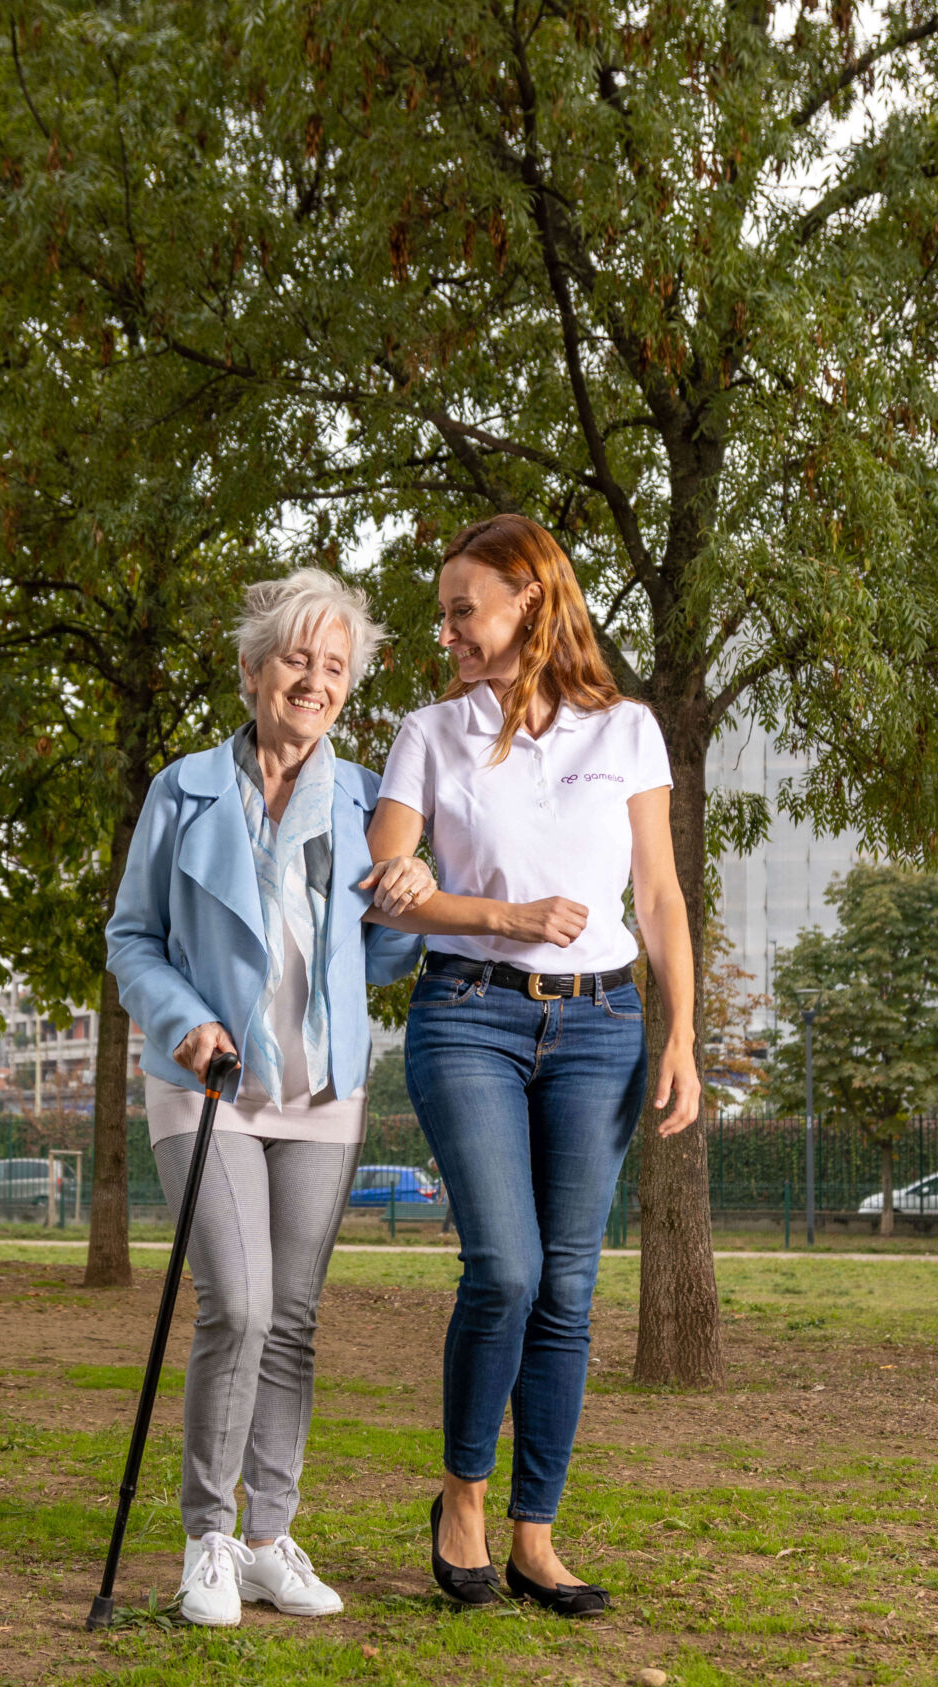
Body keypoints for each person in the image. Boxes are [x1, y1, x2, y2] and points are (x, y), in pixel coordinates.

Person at [364, 513, 701, 1618]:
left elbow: (655, 896)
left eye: (464, 608)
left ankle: (535, 1537)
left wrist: (682, 1033)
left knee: (567, 1289)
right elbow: (392, 880)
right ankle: (461, 1497)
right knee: (503, 1269)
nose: (448, 629)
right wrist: (506, 916)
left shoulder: (629, 733)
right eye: (445, 611)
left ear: (530, 602)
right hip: (468, 1013)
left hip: (603, 1024)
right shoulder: (428, 732)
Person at [104, 568, 431, 1627]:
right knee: (236, 1303)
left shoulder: (368, 802)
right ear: (252, 672)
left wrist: (412, 904)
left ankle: (266, 1538)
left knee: (290, 1319)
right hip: (209, 1083)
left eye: (334, 667)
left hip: (321, 1091)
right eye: (297, 658)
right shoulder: (182, 790)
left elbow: (381, 964)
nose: (315, 680)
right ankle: (206, 1535)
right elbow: (132, 939)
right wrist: (180, 1019)